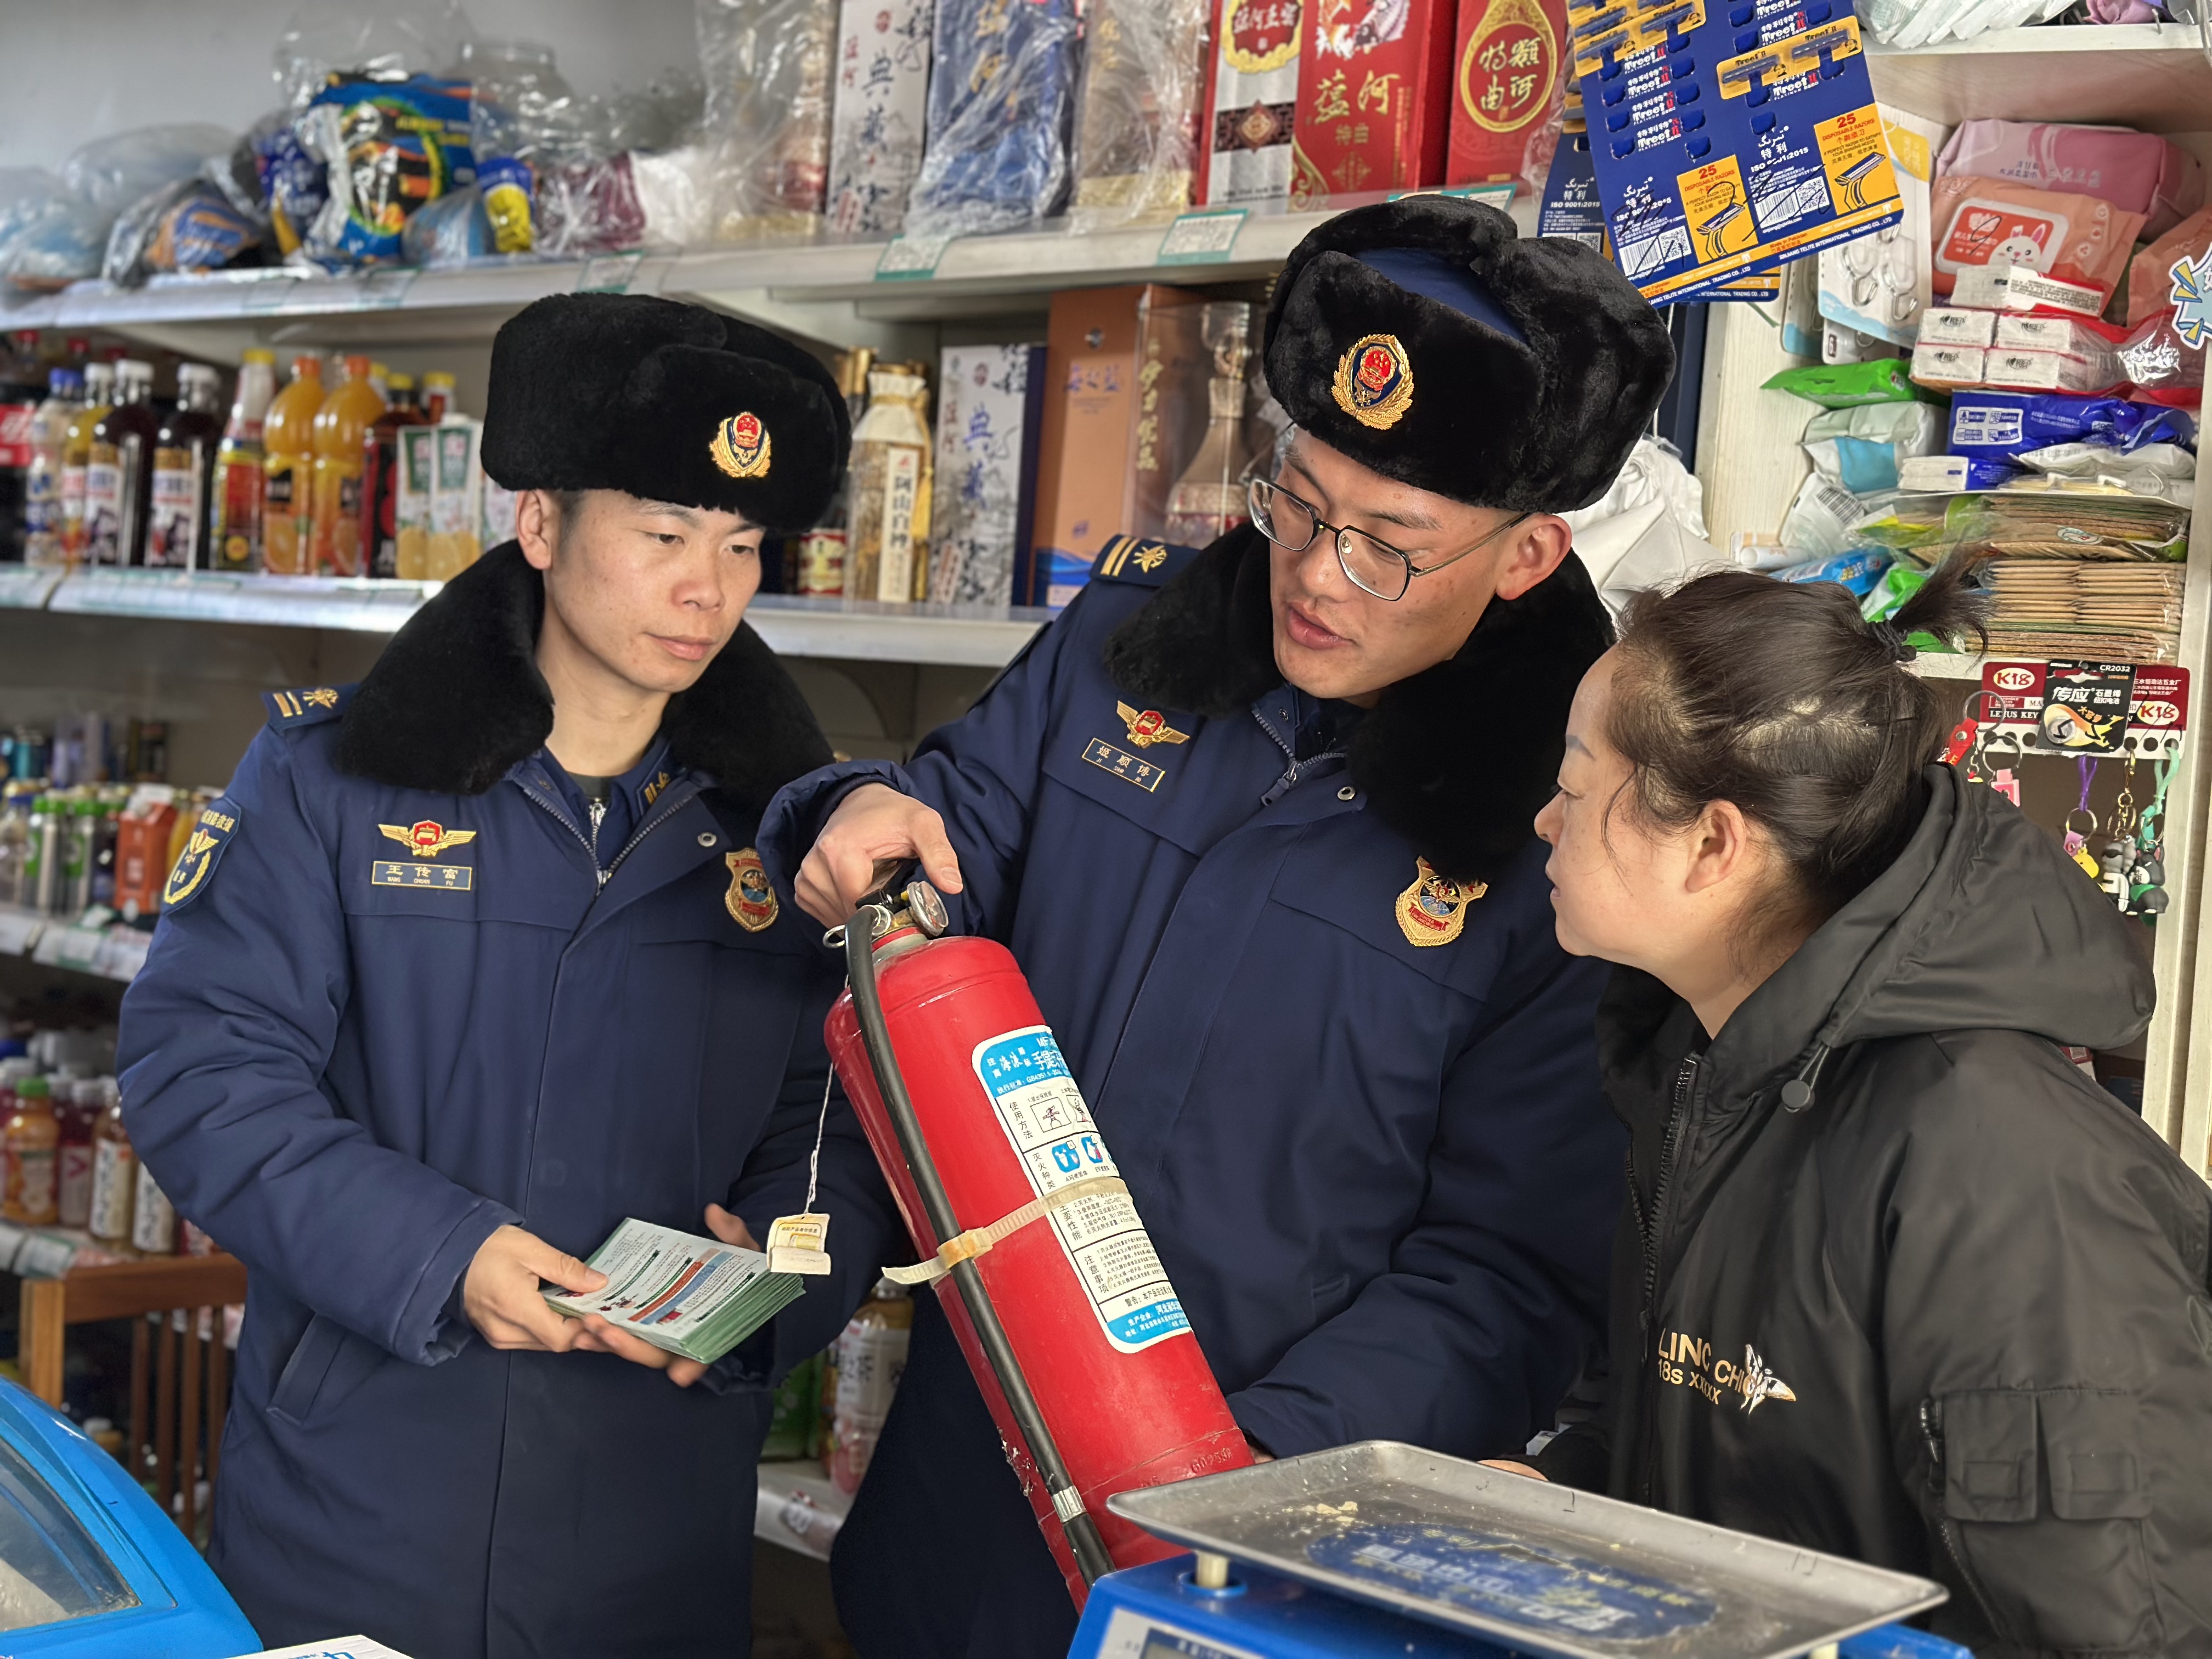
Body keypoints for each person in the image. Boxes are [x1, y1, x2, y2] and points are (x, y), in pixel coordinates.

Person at [760, 195, 1680, 1657]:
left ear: (1524, 557)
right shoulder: (1128, 647)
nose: (1313, 576)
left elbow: (1507, 1275)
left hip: (1250, 1543)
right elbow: (947, 838)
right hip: (960, 1487)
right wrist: (852, 810)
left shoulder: (1559, 838)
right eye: (1298, 504)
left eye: (1388, 547)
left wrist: (1239, 1471)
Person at [116, 295, 887, 1659]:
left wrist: (774, 1276)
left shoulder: (787, 837)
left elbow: (839, 1126)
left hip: (651, 1529)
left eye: (742, 546)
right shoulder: (331, 783)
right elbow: (203, 1074)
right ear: (540, 523)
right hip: (360, 1514)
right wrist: (440, 1253)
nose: (708, 591)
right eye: (663, 536)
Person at [1520, 567, 2212, 1652]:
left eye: (1573, 782)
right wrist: (1555, 1494)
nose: (1543, 819)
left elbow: (2118, 1625)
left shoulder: (1999, 1165)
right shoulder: (1706, 1070)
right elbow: (1706, 1449)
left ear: (1713, 844)